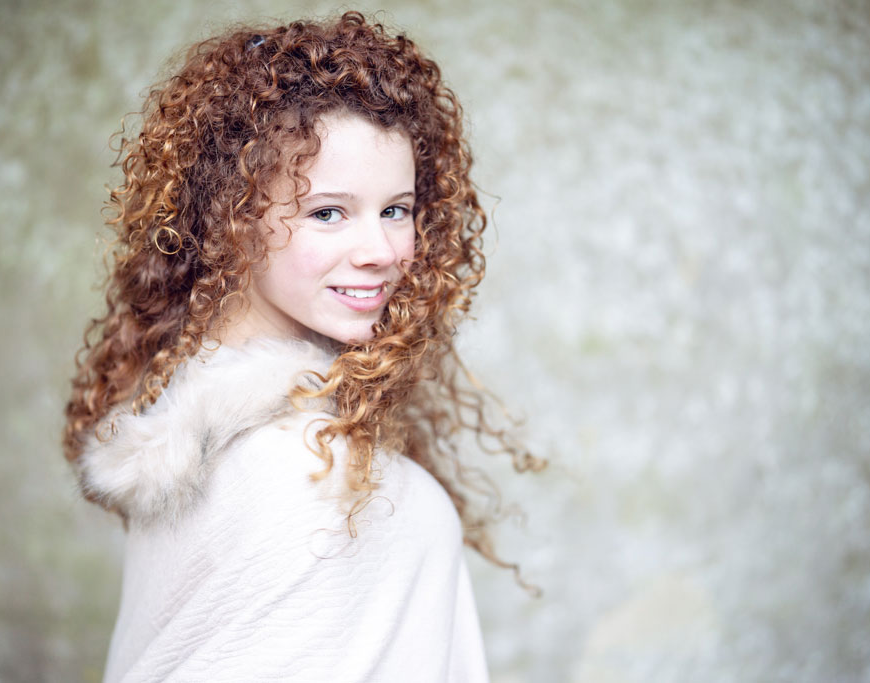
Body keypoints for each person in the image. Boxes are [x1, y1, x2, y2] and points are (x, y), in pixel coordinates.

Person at [64, 11, 543, 682]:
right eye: (328, 212)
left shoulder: (185, 429)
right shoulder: (309, 476)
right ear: (231, 219)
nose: (380, 251)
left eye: (396, 209)